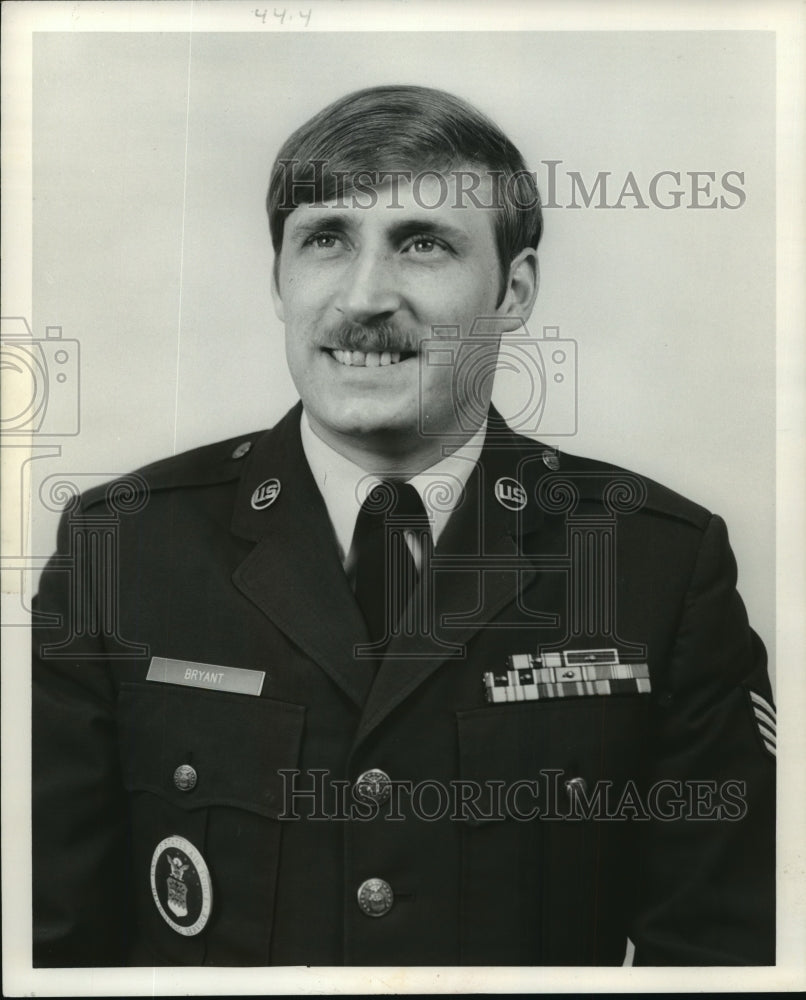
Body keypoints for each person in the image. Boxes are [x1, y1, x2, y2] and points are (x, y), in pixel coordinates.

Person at [32, 84, 775, 967]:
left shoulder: (657, 566)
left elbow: (719, 960)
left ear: (515, 290)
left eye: (421, 244)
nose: (364, 297)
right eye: (325, 239)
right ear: (278, 279)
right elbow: (52, 946)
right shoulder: (122, 548)